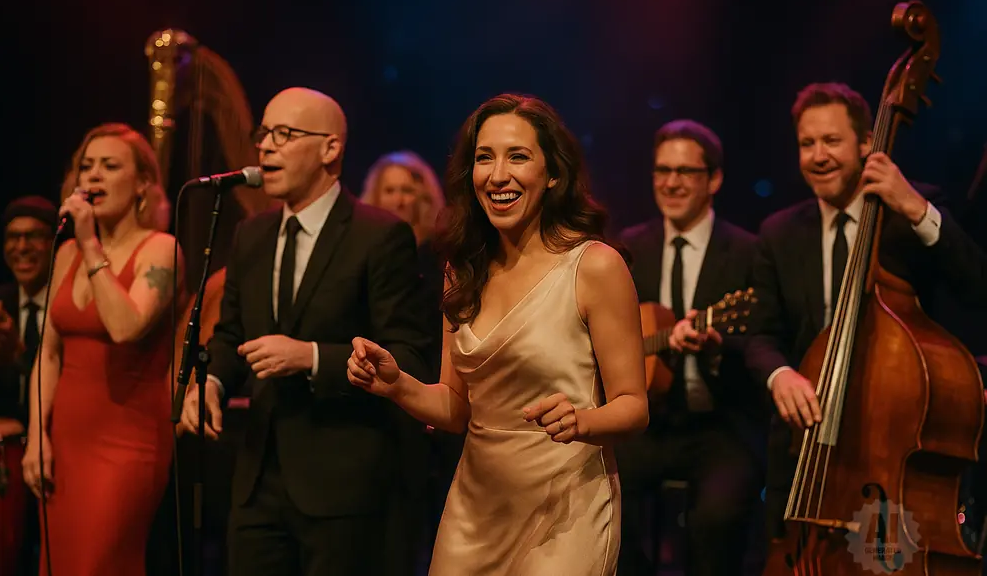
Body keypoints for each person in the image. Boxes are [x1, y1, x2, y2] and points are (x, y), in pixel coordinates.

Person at [347, 93, 649, 576]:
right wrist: (397, 384)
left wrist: (583, 420)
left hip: (565, 507)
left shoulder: (594, 266)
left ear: (552, 174)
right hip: (475, 506)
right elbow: (456, 406)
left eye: (518, 157)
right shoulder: (462, 270)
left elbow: (634, 405)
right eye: (484, 158)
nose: (498, 174)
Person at [178, 87, 434, 576]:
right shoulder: (251, 236)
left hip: (342, 486)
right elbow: (231, 336)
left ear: (330, 149)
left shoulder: (378, 235)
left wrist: (313, 357)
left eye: (285, 134)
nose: (266, 147)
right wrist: (210, 383)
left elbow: (408, 357)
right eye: (263, 134)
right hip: (257, 481)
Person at [744, 82, 987, 540]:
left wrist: (915, 207)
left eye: (832, 141)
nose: (818, 156)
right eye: (807, 143)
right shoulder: (778, 232)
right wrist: (782, 375)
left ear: (866, 144)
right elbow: (760, 334)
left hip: (897, 436)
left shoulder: (914, 207)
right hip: (808, 443)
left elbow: (976, 285)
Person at [21, 122, 181, 575]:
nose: (92, 177)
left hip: (127, 444)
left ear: (142, 184)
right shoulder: (66, 253)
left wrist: (91, 245)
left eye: (110, 167)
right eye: (86, 167)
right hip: (66, 440)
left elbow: (125, 326)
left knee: (101, 563)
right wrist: (38, 436)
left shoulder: (161, 250)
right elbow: (48, 354)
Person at [616, 120, 765, 576]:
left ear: (714, 179)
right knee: (592, 500)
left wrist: (719, 347)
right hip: (644, 423)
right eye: (663, 170)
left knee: (716, 519)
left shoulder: (748, 252)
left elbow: (764, 336)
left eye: (685, 171)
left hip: (719, 424)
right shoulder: (628, 249)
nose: (671, 182)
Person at [360, 150, 449, 571]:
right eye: (389, 190)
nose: (398, 199)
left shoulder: (439, 257)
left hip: (429, 391)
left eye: (407, 190)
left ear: (423, 198)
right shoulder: (362, 254)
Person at [0, 196, 57, 576]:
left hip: (58, 457)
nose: (22, 247)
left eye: (33, 237)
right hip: (5, 464)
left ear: (54, 244)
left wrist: (19, 357)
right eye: (13, 238)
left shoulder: (69, 305)